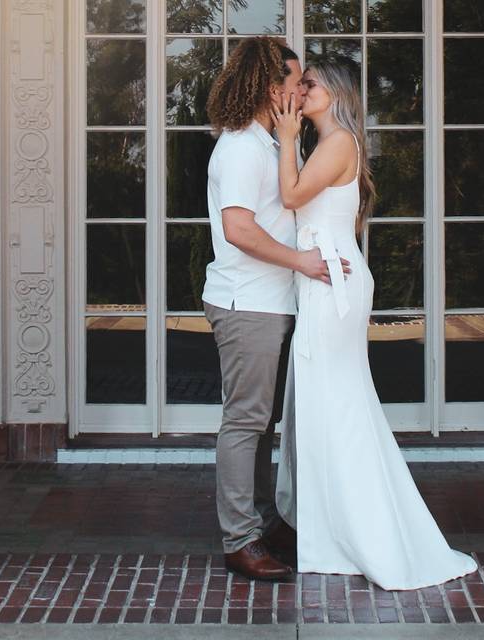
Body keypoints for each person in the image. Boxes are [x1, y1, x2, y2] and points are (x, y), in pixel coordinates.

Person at [271, 62, 479, 590]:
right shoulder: (329, 143)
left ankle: (360, 533)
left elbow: (292, 198)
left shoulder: (337, 141)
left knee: (337, 404)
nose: (300, 91)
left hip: (331, 284)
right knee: (330, 403)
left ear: (335, 94)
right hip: (324, 277)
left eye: (309, 84)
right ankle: (332, 530)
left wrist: (286, 137)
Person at [202, 38, 349, 581]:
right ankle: (239, 540)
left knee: (261, 424)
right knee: (245, 422)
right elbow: (239, 229)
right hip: (247, 304)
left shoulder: (265, 142)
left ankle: (261, 524)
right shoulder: (241, 146)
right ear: (271, 88)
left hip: (270, 303)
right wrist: (303, 262)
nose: (300, 90)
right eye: (294, 82)